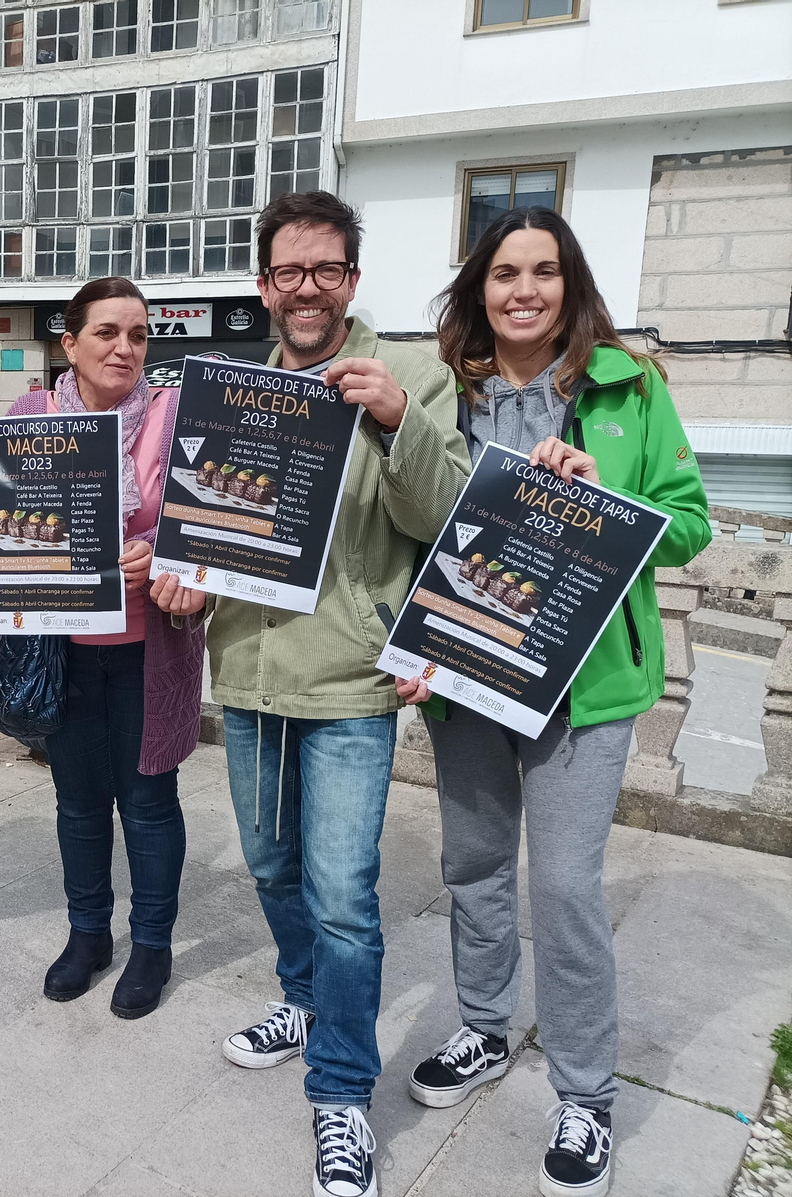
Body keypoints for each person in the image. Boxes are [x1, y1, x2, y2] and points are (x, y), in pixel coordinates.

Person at [152, 191, 471, 1197]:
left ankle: (340, 1092)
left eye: (326, 270)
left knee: (342, 896)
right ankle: (303, 999)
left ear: (351, 280)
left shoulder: (411, 375)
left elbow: (446, 513)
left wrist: (394, 418)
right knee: (270, 865)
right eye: (288, 272)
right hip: (249, 672)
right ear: (263, 286)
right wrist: (185, 580)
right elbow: (208, 526)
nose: (306, 289)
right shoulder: (232, 394)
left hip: (349, 680)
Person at [397, 207, 710, 1197]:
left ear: (569, 284)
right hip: (469, 675)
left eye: (542, 271)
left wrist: (608, 502)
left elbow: (691, 523)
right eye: (503, 273)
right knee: (474, 866)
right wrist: (410, 642)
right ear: (478, 288)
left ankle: (584, 1094)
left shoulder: (630, 387)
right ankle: (484, 1028)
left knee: (567, 887)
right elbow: (411, 531)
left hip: (588, 689)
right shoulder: (444, 395)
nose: (523, 290)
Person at [0, 278, 205, 1019]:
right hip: (60, 648)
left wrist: (160, 551)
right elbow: (9, 528)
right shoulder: (28, 418)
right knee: (79, 800)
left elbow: (204, 524)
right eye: (107, 332)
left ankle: (151, 944)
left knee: (149, 800)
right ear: (69, 343)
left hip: (148, 646)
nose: (125, 348)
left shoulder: (174, 416)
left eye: (138, 335)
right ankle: (88, 932)